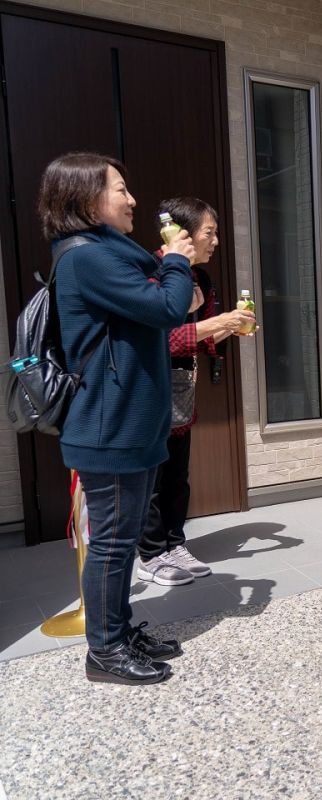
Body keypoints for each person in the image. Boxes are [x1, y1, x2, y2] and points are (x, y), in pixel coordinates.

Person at [42, 153, 196, 684]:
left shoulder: (113, 254)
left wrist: (172, 274)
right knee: (111, 542)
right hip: (110, 425)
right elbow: (168, 309)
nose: (133, 200)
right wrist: (177, 259)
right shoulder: (86, 258)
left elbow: (175, 300)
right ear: (88, 200)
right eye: (121, 190)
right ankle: (104, 651)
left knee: (123, 540)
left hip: (129, 419)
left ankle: (120, 628)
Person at [136, 198, 253, 586]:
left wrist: (229, 328)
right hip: (148, 389)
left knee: (176, 476)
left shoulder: (200, 279)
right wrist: (216, 322)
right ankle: (149, 554)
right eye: (209, 232)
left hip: (182, 390)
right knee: (151, 480)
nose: (215, 241)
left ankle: (173, 543)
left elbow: (198, 342)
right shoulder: (150, 272)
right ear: (182, 235)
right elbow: (158, 340)